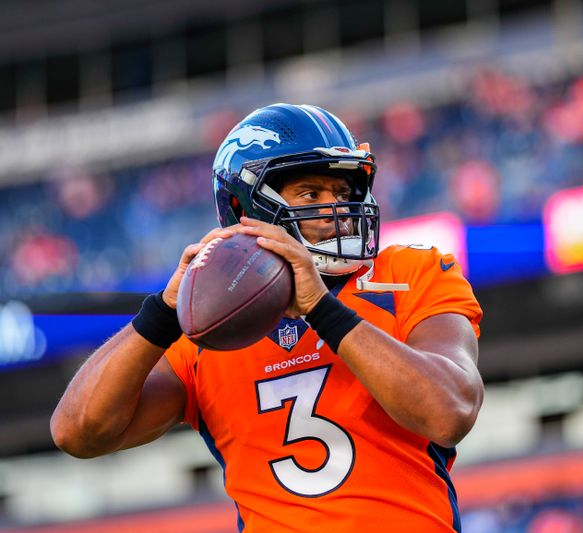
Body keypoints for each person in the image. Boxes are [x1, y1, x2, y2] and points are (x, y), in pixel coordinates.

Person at [50, 103, 484, 532]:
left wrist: (320, 307)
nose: (337, 211)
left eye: (344, 192)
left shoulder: (410, 272)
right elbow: (79, 433)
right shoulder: (206, 329)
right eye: (312, 194)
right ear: (245, 209)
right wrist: (162, 312)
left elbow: (450, 411)